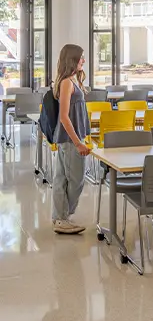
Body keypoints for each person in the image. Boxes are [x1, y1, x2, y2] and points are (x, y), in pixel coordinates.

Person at [52, 44, 91, 234]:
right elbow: (64, 116)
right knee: (76, 179)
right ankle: (62, 217)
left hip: (71, 138)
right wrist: (78, 142)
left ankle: (60, 217)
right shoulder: (67, 82)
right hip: (69, 139)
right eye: (81, 57)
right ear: (72, 60)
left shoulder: (74, 80)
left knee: (62, 178)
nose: (83, 60)